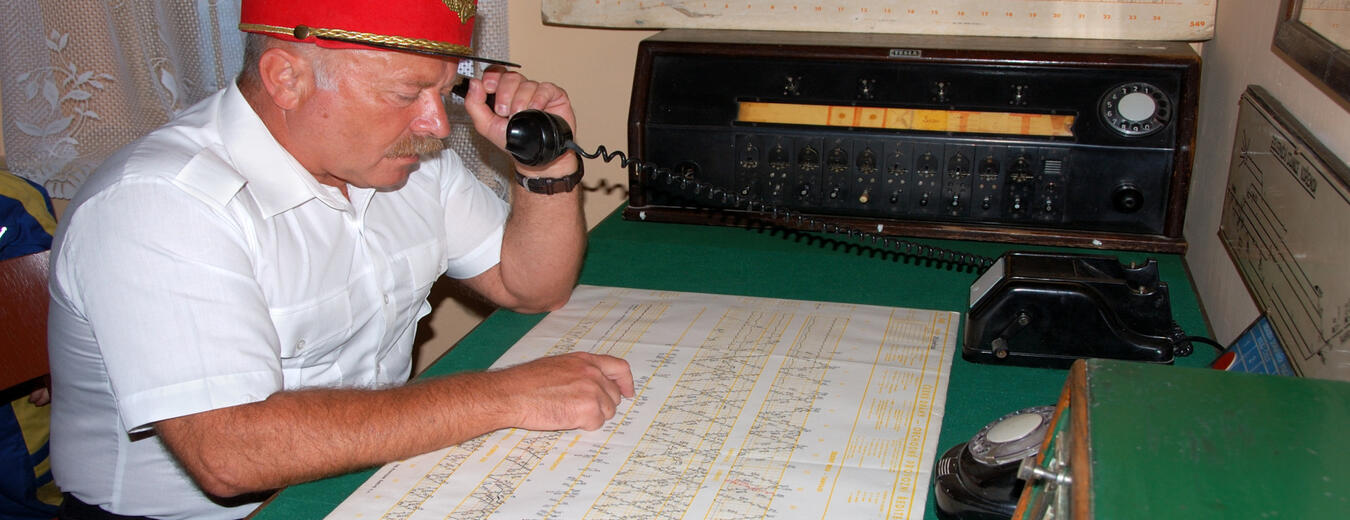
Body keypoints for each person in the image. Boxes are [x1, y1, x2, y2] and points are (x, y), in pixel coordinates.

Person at [45, 1, 634, 518]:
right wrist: (508, 395)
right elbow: (230, 454)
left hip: (375, 478)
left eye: (445, 91)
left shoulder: (407, 163)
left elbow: (531, 286)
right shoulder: (161, 203)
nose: (436, 125)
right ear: (286, 78)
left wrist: (547, 162)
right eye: (406, 94)